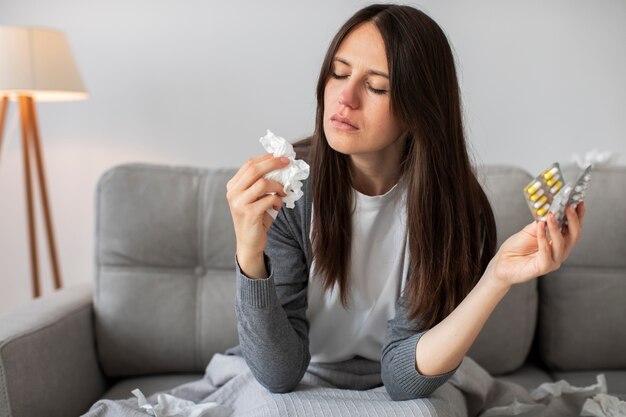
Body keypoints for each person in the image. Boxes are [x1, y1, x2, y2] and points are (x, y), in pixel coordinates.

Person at [225, 4, 585, 401]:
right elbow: (279, 373)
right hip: (303, 377)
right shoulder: (290, 189)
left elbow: (402, 379)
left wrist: (496, 277)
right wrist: (249, 254)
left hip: (407, 382)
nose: (344, 97)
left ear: (419, 110)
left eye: (376, 86)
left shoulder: (454, 209)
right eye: (339, 73)